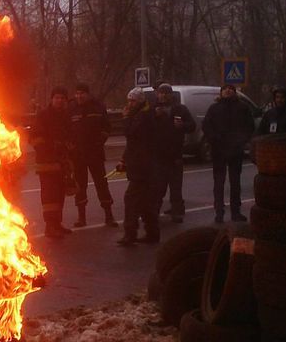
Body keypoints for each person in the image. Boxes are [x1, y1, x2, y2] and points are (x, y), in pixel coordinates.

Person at [202, 84, 254, 223]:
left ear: (234, 92)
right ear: (221, 92)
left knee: (235, 182)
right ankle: (219, 212)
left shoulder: (242, 108)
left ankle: (235, 212)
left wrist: (241, 141)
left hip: (235, 150)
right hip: (218, 150)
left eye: (230, 89)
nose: (227, 91)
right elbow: (206, 125)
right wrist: (213, 139)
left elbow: (249, 126)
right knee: (219, 183)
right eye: (225, 89)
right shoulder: (214, 108)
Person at [69, 82, 117, 228]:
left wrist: (100, 141)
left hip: (95, 153)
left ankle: (109, 216)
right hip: (78, 155)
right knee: (80, 186)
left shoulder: (97, 107)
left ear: (88, 94)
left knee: (101, 184)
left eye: (82, 93)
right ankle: (81, 217)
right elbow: (67, 129)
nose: (79, 96)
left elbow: (107, 127)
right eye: (77, 93)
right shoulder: (71, 109)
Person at [31, 86, 76, 238]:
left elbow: (70, 135)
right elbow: (35, 138)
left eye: (62, 98)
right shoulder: (43, 115)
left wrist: (69, 146)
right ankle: (50, 227)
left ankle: (57, 223)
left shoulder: (65, 115)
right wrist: (51, 147)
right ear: (52, 99)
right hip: (46, 163)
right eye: (57, 97)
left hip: (61, 162)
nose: (60, 100)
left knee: (59, 195)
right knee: (49, 196)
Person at [117, 87, 160, 246]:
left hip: (143, 166)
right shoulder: (142, 114)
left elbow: (130, 134)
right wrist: (124, 160)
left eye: (133, 100)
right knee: (145, 201)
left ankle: (130, 234)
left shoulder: (143, 116)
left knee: (131, 199)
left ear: (140, 101)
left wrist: (126, 118)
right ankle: (152, 233)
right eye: (129, 100)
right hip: (141, 164)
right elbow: (132, 144)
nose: (130, 104)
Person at [152, 83, 196, 222]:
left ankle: (177, 212)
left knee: (176, 187)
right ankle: (154, 212)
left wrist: (183, 125)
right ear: (157, 94)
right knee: (158, 187)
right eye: (161, 92)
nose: (163, 95)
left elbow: (192, 126)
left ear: (171, 95)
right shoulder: (153, 109)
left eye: (166, 93)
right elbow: (144, 128)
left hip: (175, 154)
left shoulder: (180, 109)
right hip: (158, 155)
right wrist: (154, 116)